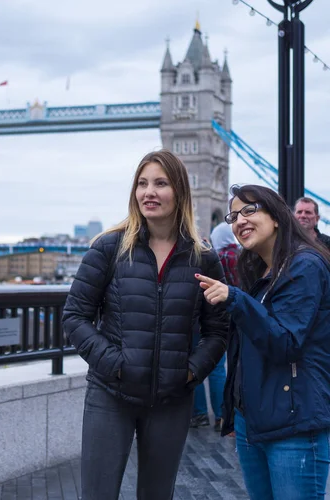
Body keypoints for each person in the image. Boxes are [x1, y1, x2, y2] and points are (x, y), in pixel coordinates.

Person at [62, 149, 228, 500]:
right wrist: (115, 364)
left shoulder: (203, 258)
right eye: (142, 183)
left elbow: (218, 331)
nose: (148, 192)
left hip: (171, 398)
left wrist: (190, 372)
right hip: (111, 394)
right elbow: (74, 316)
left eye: (160, 183)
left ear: (180, 191)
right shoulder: (109, 248)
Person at [197, 184, 330, 499]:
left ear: (277, 217)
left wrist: (236, 299)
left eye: (249, 210)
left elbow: (285, 342)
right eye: (233, 215)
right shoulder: (260, 269)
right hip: (253, 421)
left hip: (294, 424)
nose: (238, 220)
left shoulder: (305, 265)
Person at [190, 222, 239, 431]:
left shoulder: (202, 255)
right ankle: (222, 415)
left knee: (196, 366)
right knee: (218, 368)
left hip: (199, 316)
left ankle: (199, 414)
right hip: (229, 314)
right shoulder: (241, 255)